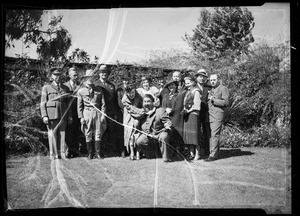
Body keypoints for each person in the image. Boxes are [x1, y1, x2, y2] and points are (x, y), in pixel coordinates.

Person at [41, 67, 72, 160]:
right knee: (52, 134)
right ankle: (53, 154)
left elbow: (68, 103)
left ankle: (62, 153)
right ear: (51, 76)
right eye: (55, 75)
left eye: (59, 75)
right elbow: (42, 103)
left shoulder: (65, 88)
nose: (57, 77)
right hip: (51, 114)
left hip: (63, 114)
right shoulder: (46, 88)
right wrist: (44, 115)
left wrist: (70, 115)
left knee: (62, 134)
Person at [93, 65, 123, 157]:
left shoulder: (111, 85)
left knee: (111, 132)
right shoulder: (95, 84)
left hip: (110, 112)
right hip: (99, 112)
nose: (104, 74)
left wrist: (115, 113)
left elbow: (114, 100)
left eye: (105, 72)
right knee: (99, 132)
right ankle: (99, 152)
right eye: (102, 72)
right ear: (99, 74)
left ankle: (111, 151)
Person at [77, 70, 106, 160]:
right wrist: (81, 117)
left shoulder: (99, 89)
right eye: (88, 78)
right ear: (85, 79)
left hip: (97, 112)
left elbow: (103, 104)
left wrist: (103, 115)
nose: (90, 79)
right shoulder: (81, 91)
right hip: (87, 113)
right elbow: (79, 106)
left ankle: (98, 153)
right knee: (88, 133)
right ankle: (90, 153)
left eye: (92, 77)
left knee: (98, 133)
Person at [135, 94, 173, 162]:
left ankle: (165, 158)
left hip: (160, 132)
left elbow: (167, 121)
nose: (146, 104)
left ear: (153, 102)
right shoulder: (141, 113)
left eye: (148, 101)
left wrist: (167, 125)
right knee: (139, 141)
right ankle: (152, 155)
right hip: (148, 134)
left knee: (164, 136)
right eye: (145, 102)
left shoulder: (160, 111)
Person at [205, 74, 229, 162]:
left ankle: (213, 155)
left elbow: (226, 102)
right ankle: (216, 153)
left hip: (217, 115)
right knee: (212, 135)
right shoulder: (211, 89)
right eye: (211, 80)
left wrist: (214, 100)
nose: (212, 81)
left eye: (214, 80)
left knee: (214, 135)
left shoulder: (223, 88)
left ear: (218, 80)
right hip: (210, 115)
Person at [121, 83, 145, 160]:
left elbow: (143, 104)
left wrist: (143, 110)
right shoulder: (125, 100)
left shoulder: (138, 96)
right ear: (126, 93)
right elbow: (132, 110)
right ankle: (132, 153)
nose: (131, 95)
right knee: (130, 134)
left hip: (138, 117)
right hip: (129, 116)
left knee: (137, 133)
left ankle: (138, 153)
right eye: (129, 93)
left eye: (133, 92)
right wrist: (142, 112)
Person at [181, 76, 202, 161]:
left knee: (194, 134)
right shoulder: (187, 92)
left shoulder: (196, 91)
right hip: (187, 115)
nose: (187, 85)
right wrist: (185, 110)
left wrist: (188, 110)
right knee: (189, 135)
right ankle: (191, 153)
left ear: (193, 82)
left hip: (193, 114)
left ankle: (198, 153)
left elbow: (197, 106)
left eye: (188, 82)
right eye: (186, 83)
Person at [64, 67, 81, 158]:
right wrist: (68, 115)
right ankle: (67, 151)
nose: (76, 76)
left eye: (77, 75)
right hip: (68, 112)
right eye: (74, 75)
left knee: (76, 132)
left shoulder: (80, 85)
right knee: (68, 132)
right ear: (69, 76)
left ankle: (75, 150)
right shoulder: (65, 86)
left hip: (78, 112)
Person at [195, 69, 211, 159]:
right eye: (200, 76)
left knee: (206, 132)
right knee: (196, 132)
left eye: (203, 77)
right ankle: (197, 151)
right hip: (195, 112)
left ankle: (207, 151)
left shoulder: (208, 88)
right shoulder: (193, 87)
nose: (201, 79)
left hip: (205, 112)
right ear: (197, 77)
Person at [116, 71, 132, 157]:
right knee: (122, 132)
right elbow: (119, 102)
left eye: (127, 80)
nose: (126, 81)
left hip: (131, 113)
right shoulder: (119, 90)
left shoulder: (132, 88)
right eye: (124, 80)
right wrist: (126, 108)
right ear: (122, 80)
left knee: (130, 131)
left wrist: (131, 110)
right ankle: (122, 151)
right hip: (122, 113)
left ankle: (129, 150)